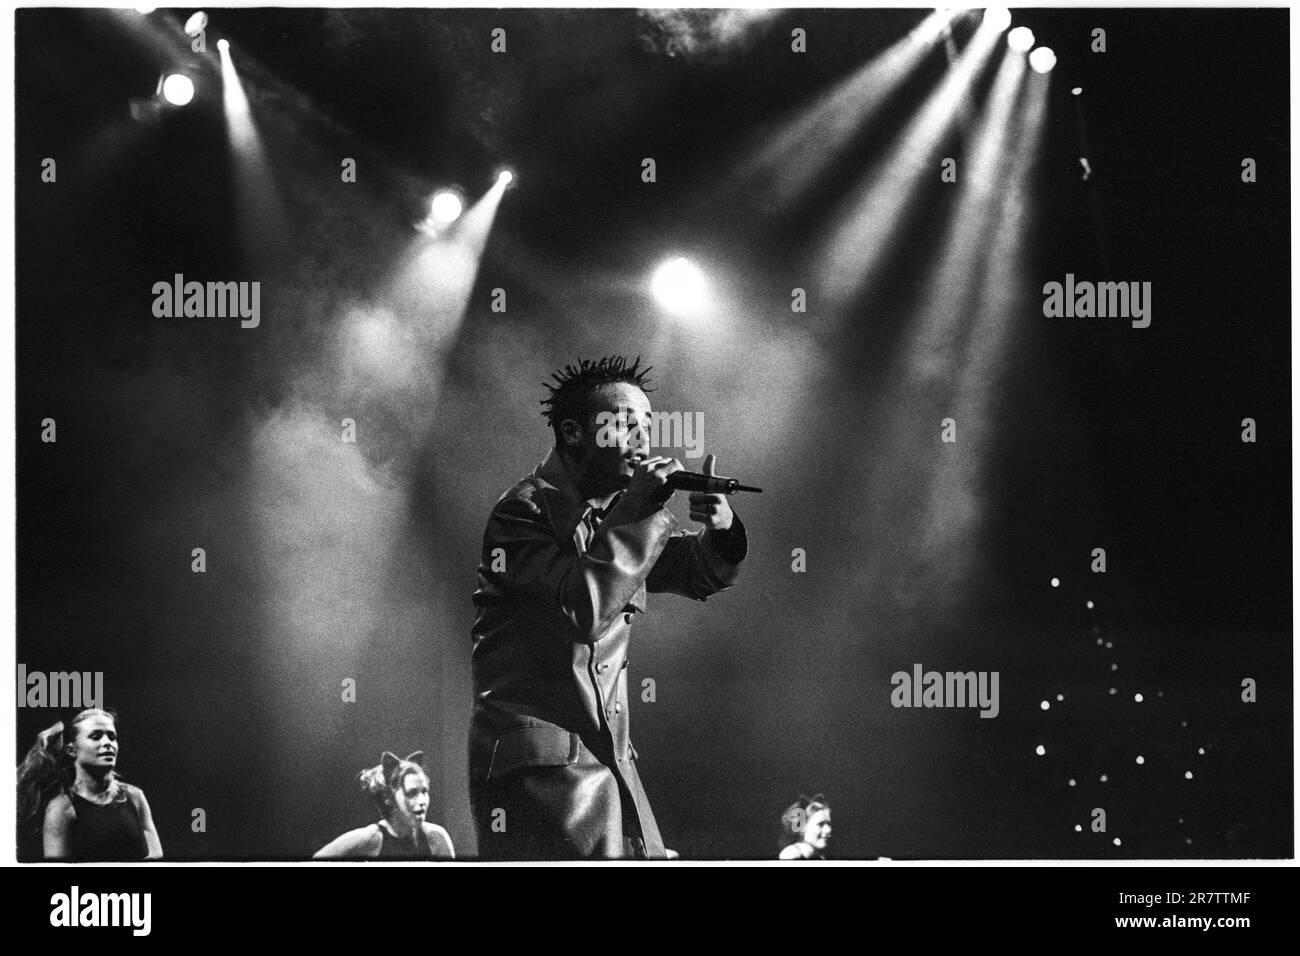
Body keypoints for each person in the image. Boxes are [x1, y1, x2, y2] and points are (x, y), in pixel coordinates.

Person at [469, 355, 749, 859]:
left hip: (610, 767)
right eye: (623, 424)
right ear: (574, 433)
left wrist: (722, 528)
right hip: (541, 774)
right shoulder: (523, 512)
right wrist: (641, 509)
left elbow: (697, 572)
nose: (643, 440)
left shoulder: (615, 517)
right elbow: (583, 607)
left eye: (647, 424)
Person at [17, 708, 163, 861]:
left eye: (112, 737)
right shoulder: (61, 809)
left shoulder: (134, 796)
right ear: (72, 750)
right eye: (96, 736)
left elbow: (156, 856)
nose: (108, 743)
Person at [313, 751, 454, 859]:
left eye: (424, 791)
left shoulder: (436, 838)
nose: (422, 801)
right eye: (412, 793)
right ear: (389, 797)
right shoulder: (371, 839)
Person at [778, 794, 832, 860]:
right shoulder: (792, 854)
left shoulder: (818, 857)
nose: (828, 830)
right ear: (802, 827)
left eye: (829, 824)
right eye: (820, 824)